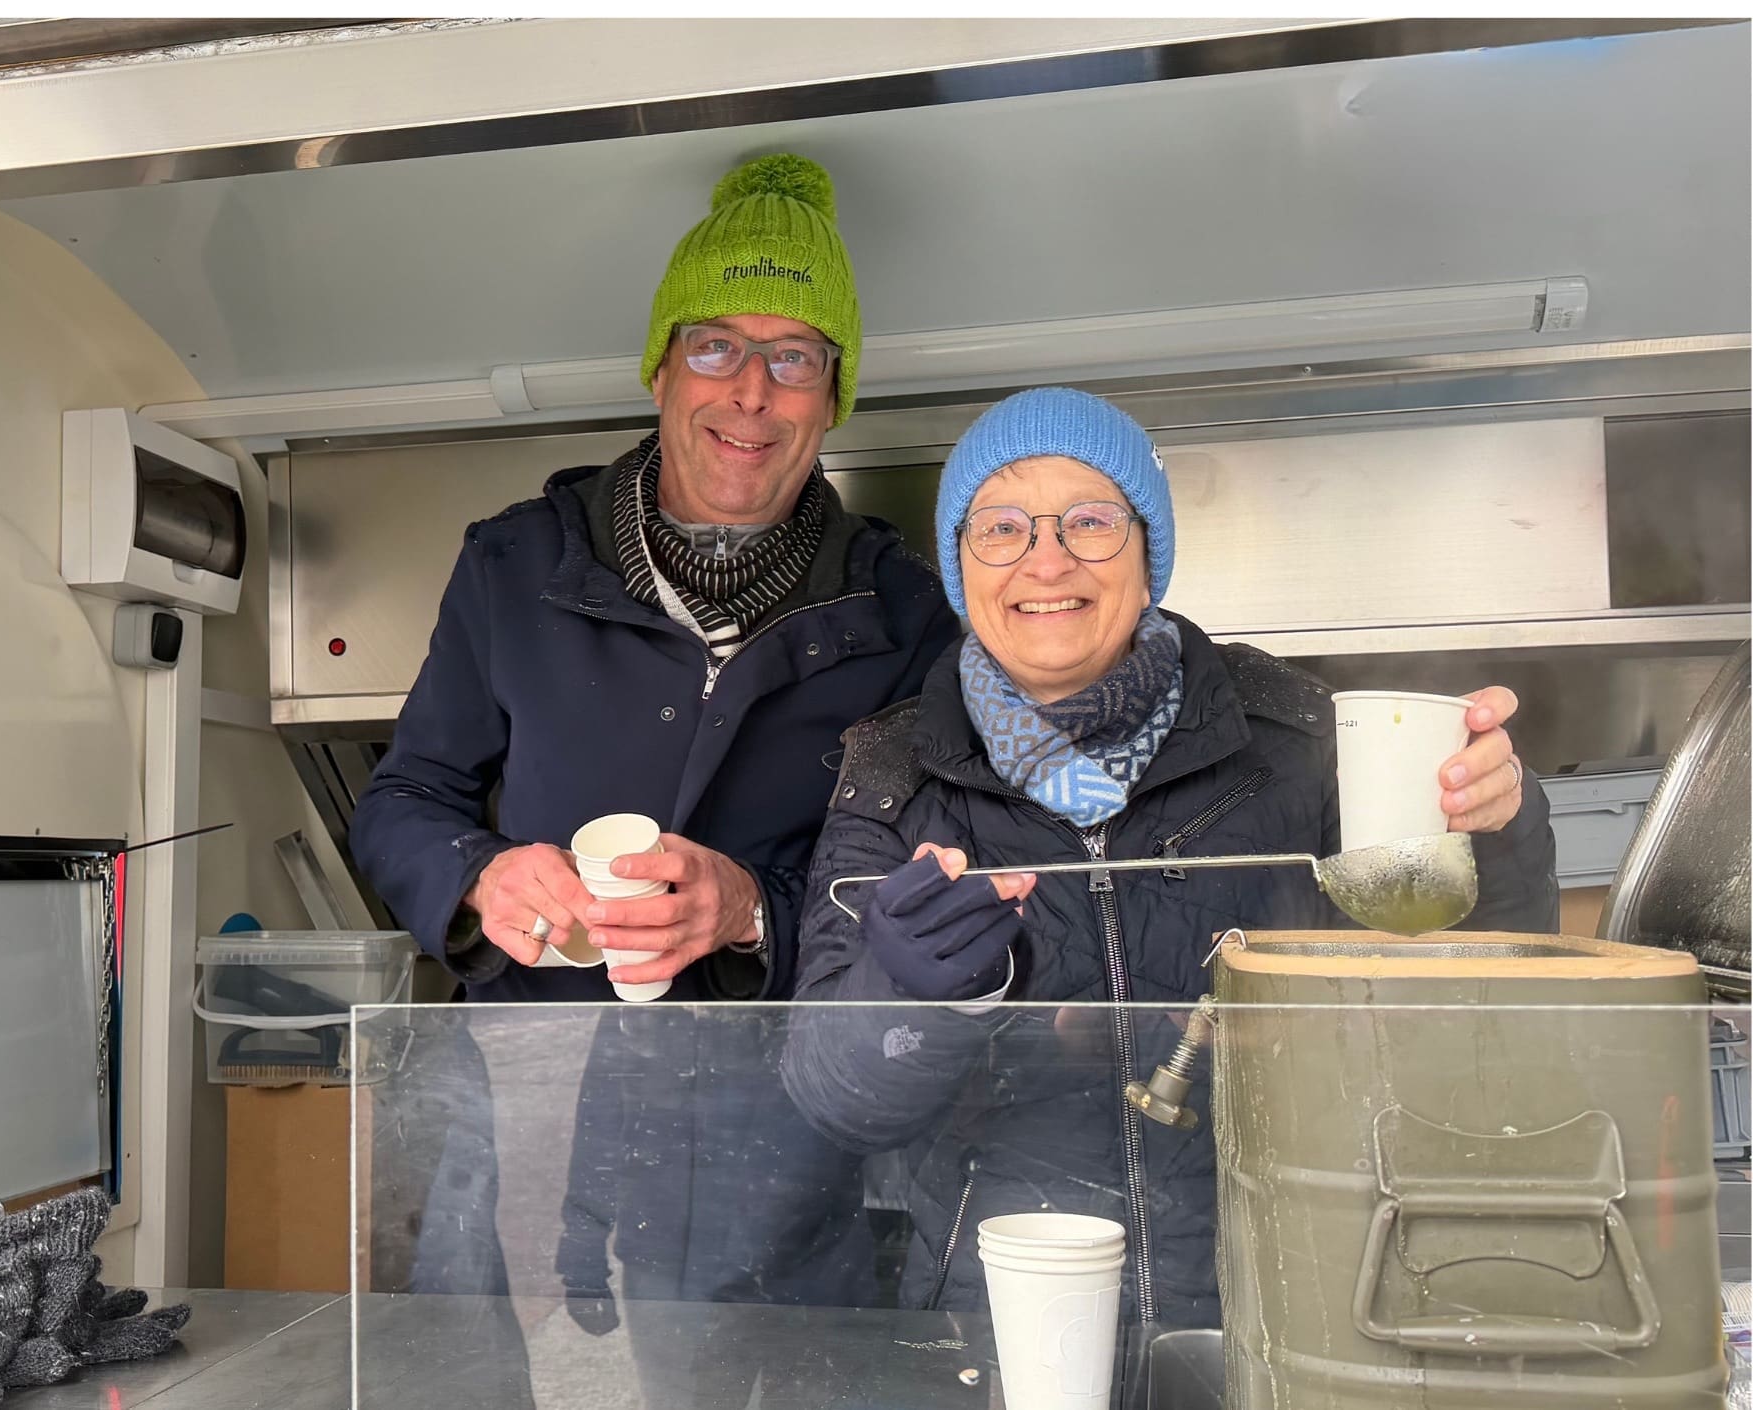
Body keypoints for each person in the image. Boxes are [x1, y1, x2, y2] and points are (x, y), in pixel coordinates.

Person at [349, 153, 960, 1399]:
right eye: (714, 346)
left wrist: (749, 911)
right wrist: (478, 878)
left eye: (795, 357)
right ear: (660, 369)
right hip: (529, 1106)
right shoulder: (516, 567)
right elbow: (404, 800)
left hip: (775, 1136)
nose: (751, 391)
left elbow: (918, 881)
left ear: (833, 397)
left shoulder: (901, 614)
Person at [780, 387, 1559, 1348]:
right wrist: (908, 995)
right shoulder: (893, 775)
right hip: (1008, 1321)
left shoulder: (1296, 738)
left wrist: (1493, 829)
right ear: (960, 567)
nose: (1047, 560)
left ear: (1149, 556)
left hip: (1297, 1303)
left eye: (1090, 521)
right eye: (1002, 528)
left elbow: (1477, 1007)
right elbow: (834, 1102)